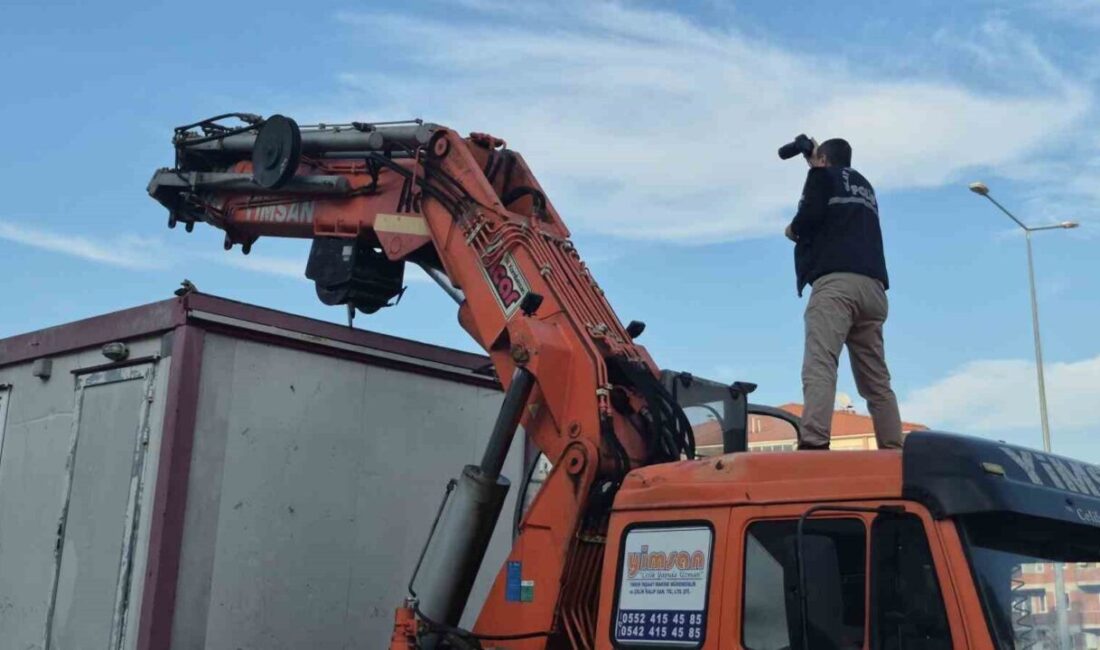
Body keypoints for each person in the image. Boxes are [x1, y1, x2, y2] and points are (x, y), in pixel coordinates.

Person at [784, 138, 902, 450]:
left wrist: (792, 230)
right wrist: (816, 161)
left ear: (822, 159)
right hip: (873, 289)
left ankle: (814, 442)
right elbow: (836, 190)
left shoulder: (821, 177)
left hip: (837, 285)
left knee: (820, 363)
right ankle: (893, 448)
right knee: (877, 381)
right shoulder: (864, 186)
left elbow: (808, 217)